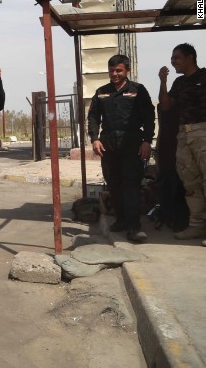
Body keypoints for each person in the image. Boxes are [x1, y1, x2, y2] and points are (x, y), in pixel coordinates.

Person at [87, 54, 155, 243]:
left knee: (131, 184)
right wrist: (94, 139)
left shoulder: (138, 90)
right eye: (111, 71)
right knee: (114, 183)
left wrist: (147, 141)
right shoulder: (101, 91)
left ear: (127, 71)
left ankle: (134, 227)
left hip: (132, 142)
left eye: (118, 70)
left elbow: (150, 116)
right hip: (108, 144)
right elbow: (93, 116)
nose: (114, 74)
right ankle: (122, 220)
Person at [158, 43, 206, 244]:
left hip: (203, 131)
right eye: (172, 57)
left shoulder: (204, 76)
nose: (173, 61)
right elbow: (166, 106)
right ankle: (197, 224)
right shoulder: (178, 83)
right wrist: (163, 82)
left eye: (176, 57)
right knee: (190, 181)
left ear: (190, 57)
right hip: (184, 135)